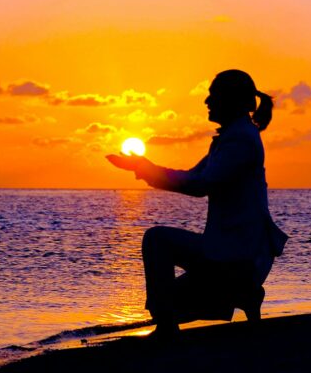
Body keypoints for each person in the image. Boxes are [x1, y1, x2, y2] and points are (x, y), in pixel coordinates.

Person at [107, 69, 288, 337]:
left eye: (213, 95)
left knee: (157, 241)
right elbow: (194, 177)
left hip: (236, 255)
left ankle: (175, 323)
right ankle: (244, 294)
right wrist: (145, 168)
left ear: (231, 100)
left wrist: (146, 169)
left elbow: (200, 185)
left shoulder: (239, 140)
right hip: (233, 252)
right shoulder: (233, 138)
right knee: (168, 304)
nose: (207, 101)